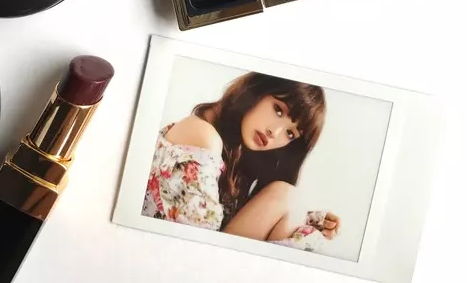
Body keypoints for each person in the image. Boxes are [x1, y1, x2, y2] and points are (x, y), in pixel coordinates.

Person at [142, 72, 340, 249]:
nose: (274, 132)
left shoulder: (232, 157)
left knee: (290, 200)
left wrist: (308, 219)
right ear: (258, 89)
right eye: (278, 110)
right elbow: (198, 247)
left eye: (290, 133)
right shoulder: (203, 137)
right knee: (286, 196)